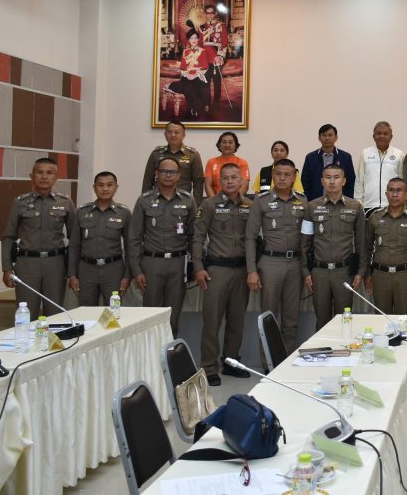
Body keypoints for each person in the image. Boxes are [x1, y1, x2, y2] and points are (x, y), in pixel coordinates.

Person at [192, 163, 252, 386]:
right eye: (225, 178)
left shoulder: (250, 206)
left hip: (242, 270)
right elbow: (198, 238)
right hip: (217, 270)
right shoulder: (209, 205)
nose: (229, 181)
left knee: (237, 320)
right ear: (219, 181)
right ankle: (209, 367)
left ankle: (231, 362)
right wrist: (198, 267)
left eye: (234, 177)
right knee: (212, 321)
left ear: (241, 180)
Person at [246, 158, 307, 369]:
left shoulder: (303, 201)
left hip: (296, 264)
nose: (282, 178)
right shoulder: (261, 201)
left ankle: (285, 364)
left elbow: (308, 238)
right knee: (269, 318)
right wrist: (252, 270)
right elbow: (250, 237)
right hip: (270, 263)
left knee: (291, 319)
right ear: (273, 175)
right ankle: (268, 365)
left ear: (294, 177)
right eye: (278, 174)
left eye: (287, 175)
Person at [128, 156, 196, 337]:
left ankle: (170, 352)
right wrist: (136, 270)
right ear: (156, 174)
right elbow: (134, 238)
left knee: (173, 318)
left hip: (177, 264)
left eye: (172, 172)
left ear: (178, 175)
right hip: (152, 263)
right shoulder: (144, 200)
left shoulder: (188, 200)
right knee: (150, 317)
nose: (168, 175)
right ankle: (150, 355)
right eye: (164, 171)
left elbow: (193, 236)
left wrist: (195, 266)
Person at [1, 158, 75, 320]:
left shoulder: (66, 202)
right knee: (26, 313)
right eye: (40, 172)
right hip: (27, 264)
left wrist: (72, 272)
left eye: (49, 173)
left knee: (55, 315)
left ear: (56, 177)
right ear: (32, 176)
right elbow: (8, 237)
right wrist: (7, 268)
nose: (44, 177)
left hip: (56, 264)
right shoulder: (20, 202)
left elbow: (74, 239)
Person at [301, 164, 367, 330]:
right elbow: (304, 243)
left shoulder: (355, 207)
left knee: (344, 321)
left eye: (336, 177)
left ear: (344, 181)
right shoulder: (312, 206)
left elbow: (361, 242)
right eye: (328, 177)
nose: (332, 181)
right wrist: (305, 271)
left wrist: (361, 271)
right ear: (322, 181)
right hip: (319, 273)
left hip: (344, 273)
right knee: (322, 322)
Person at [67, 171, 131, 308]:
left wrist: (127, 276)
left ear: (116, 187)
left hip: (113, 270)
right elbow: (74, 246)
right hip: (86, 270)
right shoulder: (82, 212)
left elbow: (130, 246)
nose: (105, 189)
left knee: (113, 312)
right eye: (100, 185)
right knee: (86, 311)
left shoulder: (124, 213)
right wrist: (72, 275)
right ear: (94, 188)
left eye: (109, 185)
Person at [366, 178, 407, 315]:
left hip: (405, 276)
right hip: (380, 276)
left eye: (399, 191)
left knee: (403, 320)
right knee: (381, 319)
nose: (394, 194)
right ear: (386, 194)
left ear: (406, 194)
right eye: (391, 190)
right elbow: (367, 248)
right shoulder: (375, 217)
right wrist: (367, 274)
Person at [142, 120, 205, 204]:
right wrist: (145, 203)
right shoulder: (156, 154)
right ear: (165, 134)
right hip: (158, 200)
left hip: (183, 201)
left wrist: (196, 205)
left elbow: (198, 183)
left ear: (183, 135)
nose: (173, 135)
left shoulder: (192, 155)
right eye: (169, 132)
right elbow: (147, 181)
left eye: (177, 132)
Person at [354, 121, 404, 213]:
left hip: (392, 205)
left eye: (385, 133)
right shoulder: (365, 153)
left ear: (391, 136)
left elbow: (402, 181)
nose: (382, 136)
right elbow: (359, 180)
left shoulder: (399, 154)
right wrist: (359, 202)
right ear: (374, 136)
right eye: (378, 133)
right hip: (368, 205)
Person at [167, 29, 218, 119]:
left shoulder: (203, 51)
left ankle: (194, 109)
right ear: (189, 40)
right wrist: (187, 75)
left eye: (195, 38)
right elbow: (183, 67)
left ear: (198, 39)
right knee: (186, 86)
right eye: (191, 38)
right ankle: (195, 107)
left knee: (189, 87)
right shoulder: (185, 51)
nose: (193, 40)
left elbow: (205, 67)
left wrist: (194, 75)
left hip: (198, 77)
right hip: (186, 77)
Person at [300, 124, 356, 200]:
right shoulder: (311, 157)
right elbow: (305, 182)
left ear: (336, 137)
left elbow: (351, 182)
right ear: (319, 138)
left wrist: (348, 201)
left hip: (340, 202)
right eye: (324, 135)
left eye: (330, 135)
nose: (327, 138)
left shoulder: (345, 157)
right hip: (316, 201)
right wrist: (308, 202)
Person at [199, 4, 230, 107]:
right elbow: (200, 43)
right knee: (206, 81)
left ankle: (216, 103)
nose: (210, 15)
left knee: (217, 81)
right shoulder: (202, 27)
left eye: (211, 13)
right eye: (207, 13)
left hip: (217, 57)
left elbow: (224, 42)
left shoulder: (221, 26)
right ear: (205, 14)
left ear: (215, 13)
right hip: (205, 58)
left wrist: (219, 56)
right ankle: (206, 103)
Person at [204, 131, 251, 197]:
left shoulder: (242, 162)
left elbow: (245, 186)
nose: (227, 145)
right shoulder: (211, 162)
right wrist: (214, 201)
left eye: (230, 142)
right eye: (224, 142)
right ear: (219, 145)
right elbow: (207, 185)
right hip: (216, 200)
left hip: (236, 201)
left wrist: (234, 201)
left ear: (236, 145)